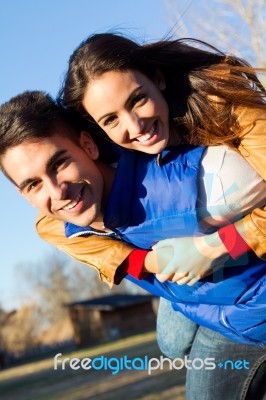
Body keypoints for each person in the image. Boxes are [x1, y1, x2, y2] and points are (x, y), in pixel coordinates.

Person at [0, 91, 265, 400]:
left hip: (245, 311)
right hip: (189, 297)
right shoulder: (57, 225)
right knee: (172, 342)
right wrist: (150, 263)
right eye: (33, 184)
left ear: (88, 145)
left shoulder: (199, 179)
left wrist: (217, 246)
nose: (57, 192)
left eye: (59, 163)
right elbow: (70, 236)